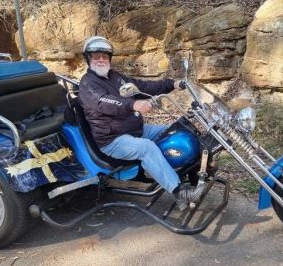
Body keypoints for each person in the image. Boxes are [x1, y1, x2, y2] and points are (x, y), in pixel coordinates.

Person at [77, 36, 203, 210]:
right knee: (146, 148)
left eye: (104, 56)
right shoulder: (87, 84)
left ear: (109, 58)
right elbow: (104, 102)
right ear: (88, 58)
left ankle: (193, 173)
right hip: (112, 140)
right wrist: (133, 104)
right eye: (96, 56)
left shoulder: (115, 76)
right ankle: (178, 192)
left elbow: (141, 86)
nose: (100, 59)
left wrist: (172, 84)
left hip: (136, 129)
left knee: (175, 129)